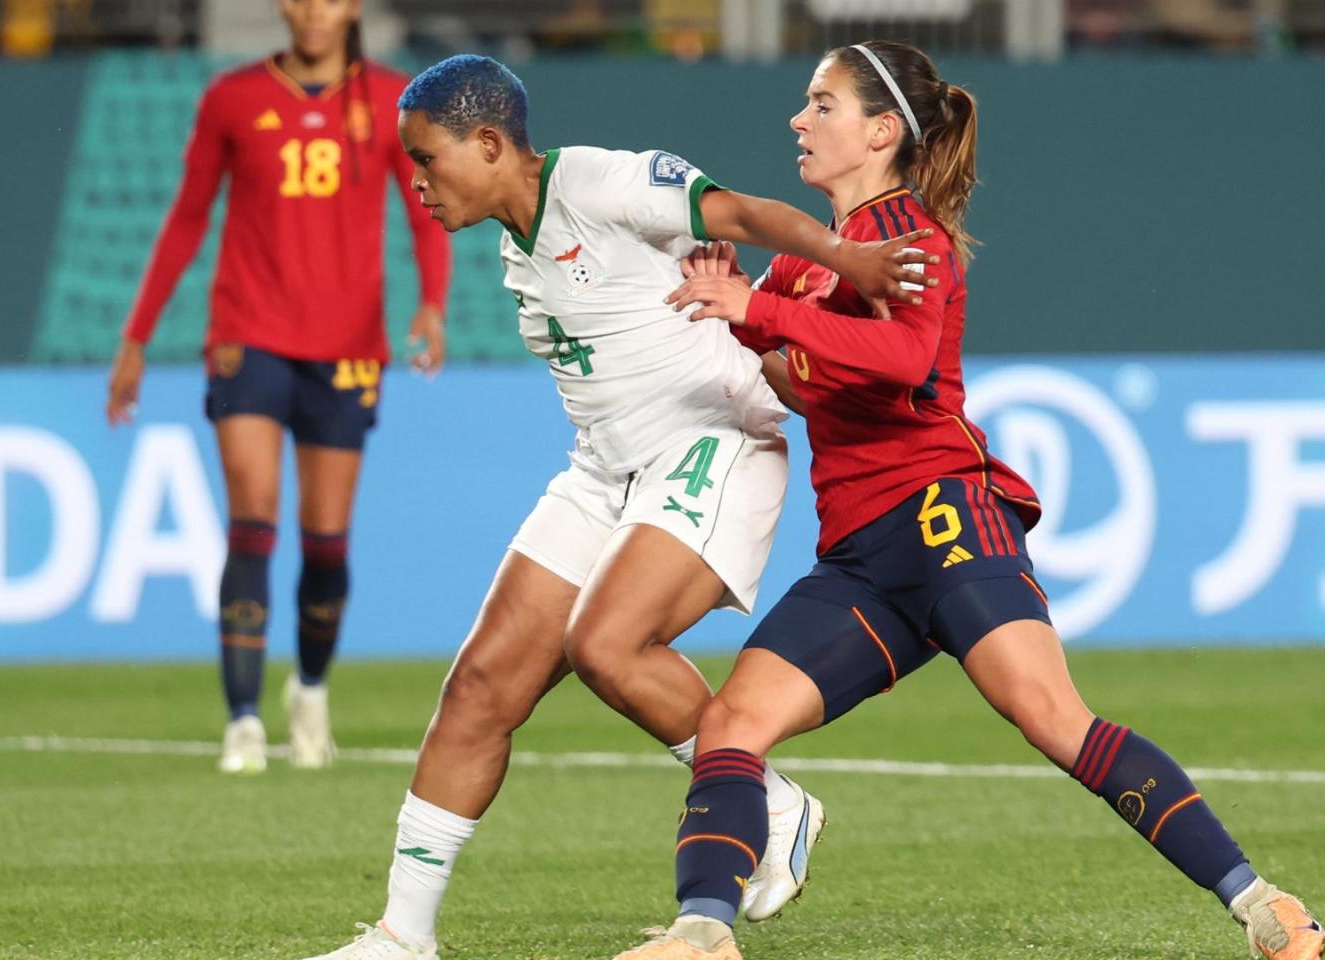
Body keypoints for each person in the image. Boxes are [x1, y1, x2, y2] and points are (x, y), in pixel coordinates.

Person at [617, 40, 1325, 960]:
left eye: (822, 104)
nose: (799, 120)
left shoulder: (911, 239)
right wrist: (729, 310)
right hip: (861, 556)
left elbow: (904, 358)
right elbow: (791, 374)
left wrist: (758, 316)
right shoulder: (801, 265)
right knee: (729, 724)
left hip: (946, 517)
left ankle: (1261, 903)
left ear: (881, 131)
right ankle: (703, 932)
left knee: (1053, 720)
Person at [303, 53, 939, 960]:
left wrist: (848, 258)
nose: (418, 182)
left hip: (710, 440)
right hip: (605, 470)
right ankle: (403, 937)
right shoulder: (515, 242)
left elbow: (742, 214)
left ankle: (766, 800)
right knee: (479, 687)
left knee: (606, 644)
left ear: (489, 144)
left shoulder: (600, 182)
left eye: (428, 159)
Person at [105, 0, 452, 774]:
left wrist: (433, 302)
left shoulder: (391, 100)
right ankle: (242, 720)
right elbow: (188, 218)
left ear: (351, 6)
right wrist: (135, 338)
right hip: (248, 336)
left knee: (325, 541)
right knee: (252, 521)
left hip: (348, 346)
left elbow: (426, 209)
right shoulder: (233, 98)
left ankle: (311, 689)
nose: (312, 10)